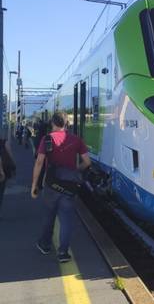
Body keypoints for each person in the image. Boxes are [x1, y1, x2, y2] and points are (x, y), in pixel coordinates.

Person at [31, 112, 91, 263]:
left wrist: (34, 185)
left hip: (51, 185)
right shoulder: (76, 140)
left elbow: (39, 163)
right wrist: (75, 169)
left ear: (52, 123)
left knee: (49, 217)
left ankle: (45, 245)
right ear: (66, 124)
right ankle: (63, 253)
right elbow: (87, 162)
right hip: (69, 187)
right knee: (66, 219)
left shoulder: (47, 139)